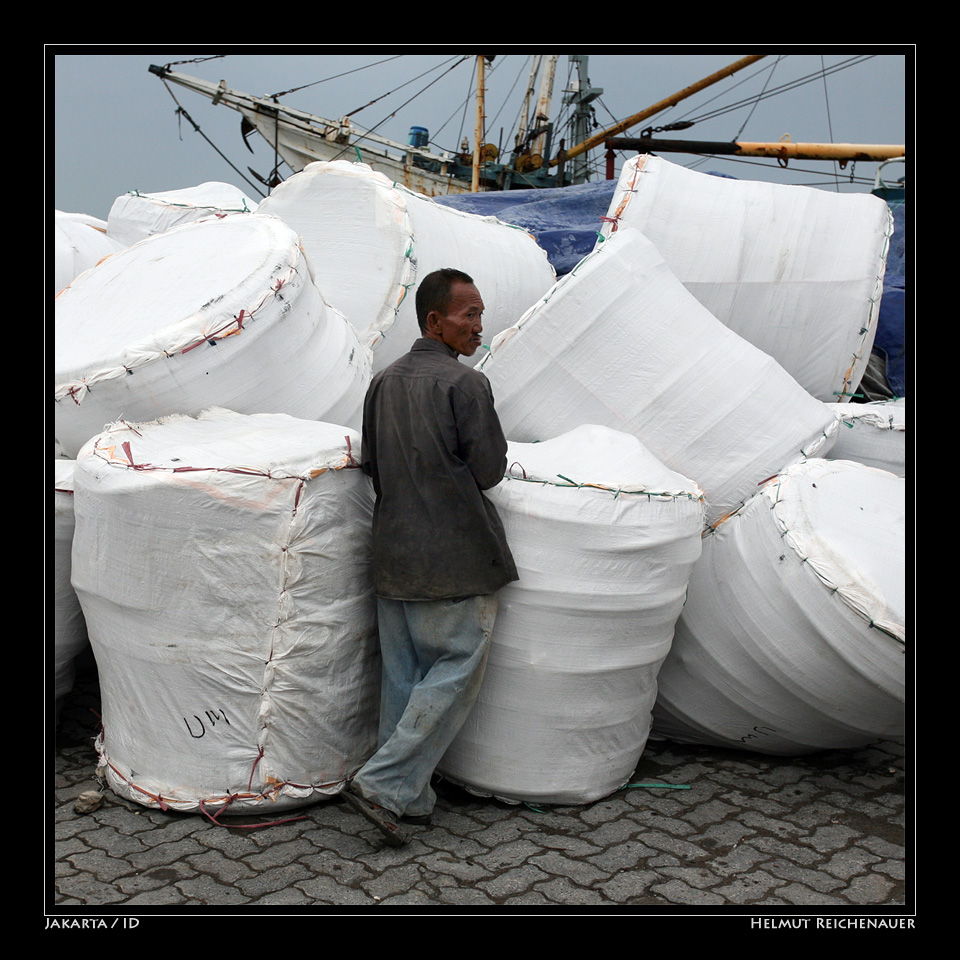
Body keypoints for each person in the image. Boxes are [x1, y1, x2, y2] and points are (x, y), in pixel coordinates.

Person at [342, 267, 518, 846]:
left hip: (393, 555)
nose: (478, 324)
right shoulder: (466, 386)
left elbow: (373, 466)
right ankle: (385, 785)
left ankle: (408, 800)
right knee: (455, 668)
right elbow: (489, 471)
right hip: (455, 555)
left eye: (481, 313)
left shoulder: (383, 383)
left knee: (404, 679)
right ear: (434, 321)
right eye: (469, 314)